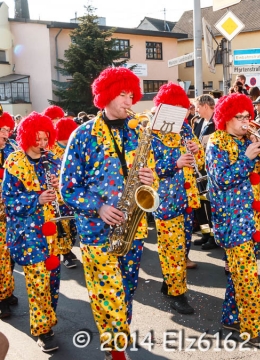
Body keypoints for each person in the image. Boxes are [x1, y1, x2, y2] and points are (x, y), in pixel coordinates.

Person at [60, 67, 154, 360]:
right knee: (109, 294)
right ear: (107, 95)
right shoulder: (83, 135)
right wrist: (97, 206)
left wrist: (151, 177)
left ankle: (116, 341)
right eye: (123, 94)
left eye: (131, 95)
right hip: (95, 231)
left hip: (132, 228)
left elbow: (149, 173)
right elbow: (67, 187)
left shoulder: (138, 130)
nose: (130, 101)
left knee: (125, 292)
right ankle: (116, 351)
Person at [206, 93, 260, 346]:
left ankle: (230, 316)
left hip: (251, 219)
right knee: (247, 276)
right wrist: (247, 157)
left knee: (237, 273)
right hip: (231, 220)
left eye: (249, 116)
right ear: (225, 118)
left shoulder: (246, 140)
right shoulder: (216, 142)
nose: (246, 121)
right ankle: (252, 327)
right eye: (240, 117)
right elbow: (222, 179)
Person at [3, 112, 66, 352]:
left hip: (52, 232)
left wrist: (59, 189)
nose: (41, 144)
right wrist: (36, 199)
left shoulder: (52, 160)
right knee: (38, 283)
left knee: (52, 281)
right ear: (27, 137)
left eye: (45, 138)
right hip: (28, 234)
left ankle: (48, 320)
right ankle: (43, 331)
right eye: (37, 139)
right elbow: (9, 201)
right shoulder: (15, 162)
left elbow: (65, 194)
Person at [151, 82, 205, 314]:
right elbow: (146, 168)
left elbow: (200, 163)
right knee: (171, 248)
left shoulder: (185, 128)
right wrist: (175, 163)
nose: (180, 114)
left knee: (182, 247)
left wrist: (197, 151)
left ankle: (169, 282)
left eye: (182, 109)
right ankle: (177, 293)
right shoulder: (150, 130)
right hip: (166, 199)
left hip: (187, 196)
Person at [52, 117, 79, 268]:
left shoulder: (74, 148)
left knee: (73, 227)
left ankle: (69, 248)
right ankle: (66, 253)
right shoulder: (52, 151)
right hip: (58, 197)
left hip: (74, 195)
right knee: (63, 226)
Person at [0, 111, 18, 319]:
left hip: (12, 215)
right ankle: (2, 298)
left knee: (10, 258)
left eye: (7, 130)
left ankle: (7, 290)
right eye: (2, 130)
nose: (6, 135)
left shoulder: (13, 149)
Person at [193, 94, 216, 250]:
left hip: (211, 169)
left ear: (205, 106)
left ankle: (214, 238)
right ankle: (205, 234)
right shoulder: (199, 122)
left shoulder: (217, 122)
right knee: (200, 205)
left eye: (198, 107)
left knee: (211, 206)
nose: (196, 111)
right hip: (198, 169)